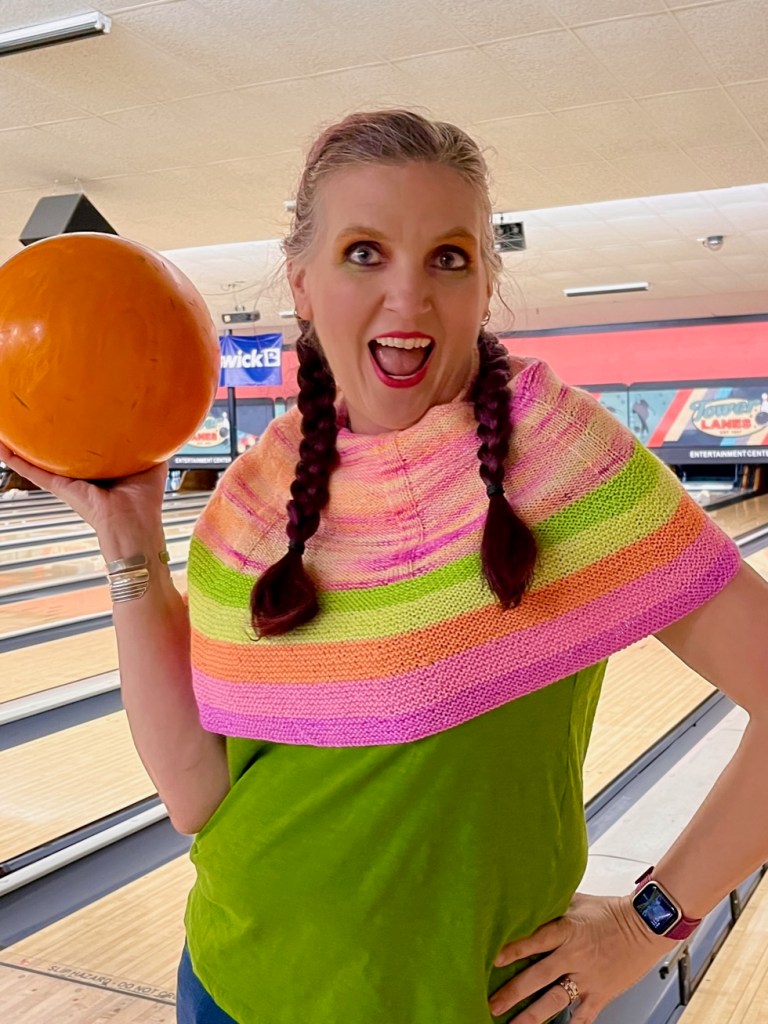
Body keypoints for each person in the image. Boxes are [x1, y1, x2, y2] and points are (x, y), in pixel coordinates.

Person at [2, 109, 767, 1024]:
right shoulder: (250, 502)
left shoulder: (562, 465)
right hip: (224, 986)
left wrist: (648, 924)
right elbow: (198, 796)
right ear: (303, 285)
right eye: (365, 253)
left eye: (448, 257)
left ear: (486, 284)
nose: (409, 301)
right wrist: (129, 543)